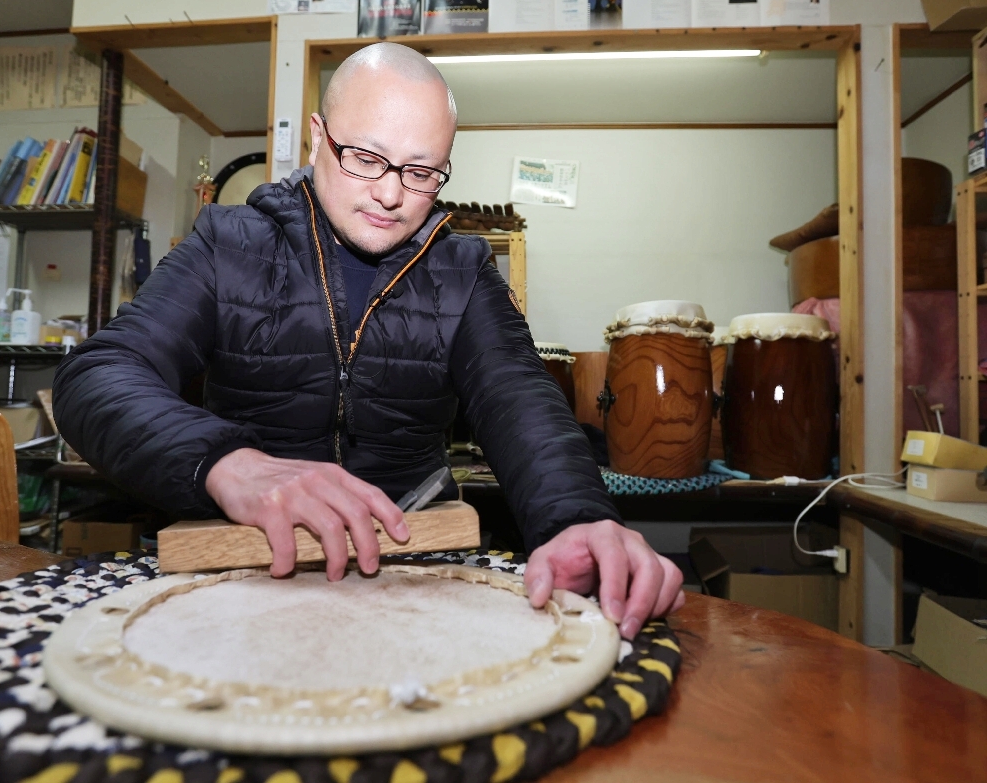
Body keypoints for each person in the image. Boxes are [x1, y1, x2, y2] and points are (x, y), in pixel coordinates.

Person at [52, 43, 684, 641]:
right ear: (318, 136)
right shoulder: (228, 244)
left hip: (415, 570)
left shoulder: (462, 271)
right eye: (365, 158)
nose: (390, 193)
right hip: (244, 568)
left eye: (421, 171)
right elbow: (97, 376)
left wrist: (577, 516)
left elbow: (519, 396)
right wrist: (227, 463)